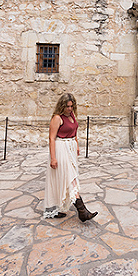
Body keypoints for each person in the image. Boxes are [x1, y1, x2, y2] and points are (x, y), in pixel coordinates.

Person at [43, 93, 98, 222]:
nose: (70, 109)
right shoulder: (57, 118)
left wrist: (77, 145)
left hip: (71, 148)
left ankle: (59, 208)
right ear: (62, 106)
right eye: (67, 106)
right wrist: (53, 158)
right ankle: (82, 211)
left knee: (65, 178)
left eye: (71, 106)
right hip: (61, 149)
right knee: (69, 178)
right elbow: (51, 138)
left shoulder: (72, 115)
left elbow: (75, 131)